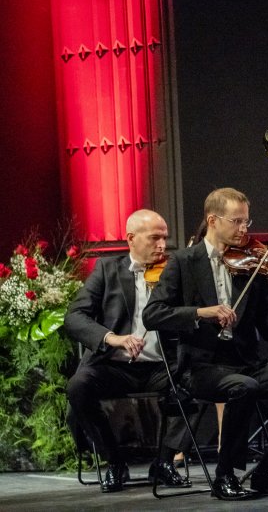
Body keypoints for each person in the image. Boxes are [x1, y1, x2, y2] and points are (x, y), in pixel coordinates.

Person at [143, 187, 268, 501]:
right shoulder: (184, 261)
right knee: (244, 387)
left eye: (246, 221)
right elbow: (152, 314)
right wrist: (201, 313)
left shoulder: (251, 263)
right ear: (213, 220)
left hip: (246, 362)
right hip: (201, 366)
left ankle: (267, 468)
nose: (244, 229)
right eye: (236, 221)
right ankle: (225, 475)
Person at [64, 209, 191, 493]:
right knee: (78, 387)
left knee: (199, 382)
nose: (162, 245)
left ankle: (164, 461)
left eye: (165, 238)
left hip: (160, 366)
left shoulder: (174, 272)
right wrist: (112, 338)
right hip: (114, 366)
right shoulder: (107, 269)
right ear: (131, 238)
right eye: (155, 238)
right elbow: (74, 317)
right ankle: (114, 461)